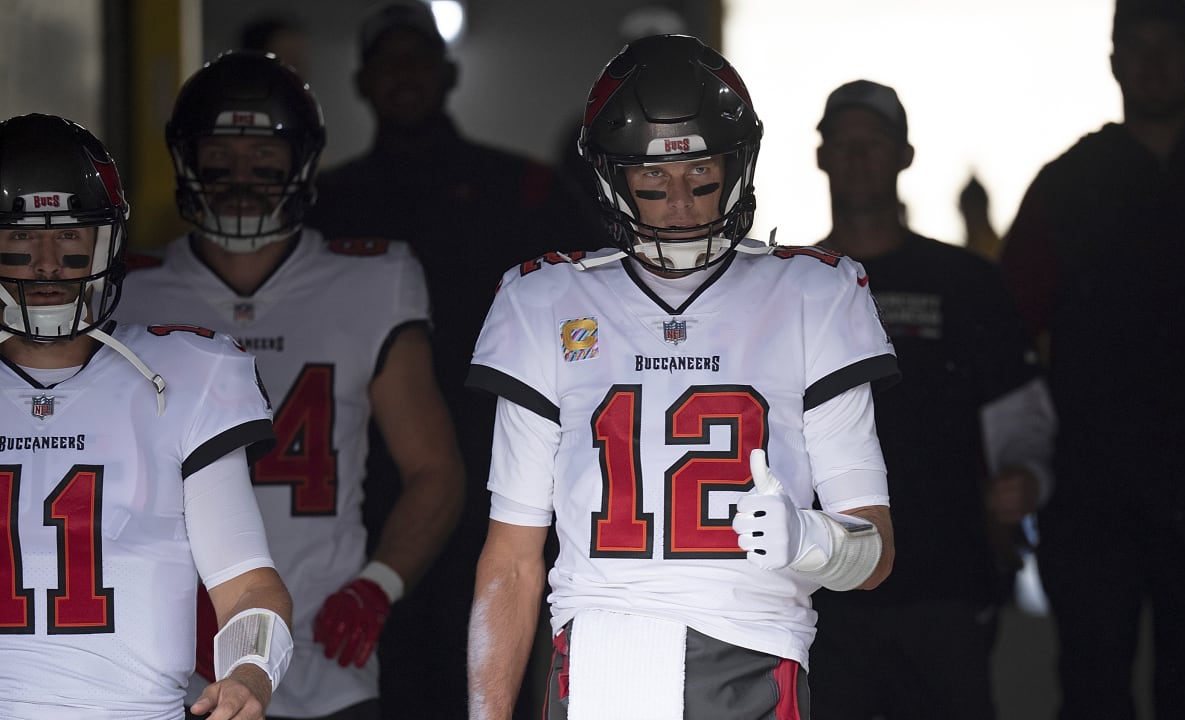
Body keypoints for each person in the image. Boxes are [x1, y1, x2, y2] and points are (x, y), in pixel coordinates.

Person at [465, 34, 900, 720]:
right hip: (597, 654)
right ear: (611, 179)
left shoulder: (816, 293)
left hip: (752, 654)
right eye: (651, 182)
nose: (680, 205)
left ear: (738, 164)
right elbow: (513, 559)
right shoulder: (543, 300)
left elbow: (875, 553)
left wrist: (808, 539)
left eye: (701, 178)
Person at [113, 52, 465, 719]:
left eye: (264, 154)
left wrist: (377, 586)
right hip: (170, 660)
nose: (243, 176)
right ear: (187, 157)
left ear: (301, 161)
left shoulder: (372, 281)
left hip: (325, 661)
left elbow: (436, 469)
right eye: (222, 153)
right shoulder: (131, 291)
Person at [305, 3, 604, 715]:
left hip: (503, 478)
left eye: (418, 59)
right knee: (377, 682)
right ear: (362, 82)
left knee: (485, 680)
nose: (404, 75)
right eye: (389, 62)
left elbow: (600, 314)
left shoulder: (522, 188)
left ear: (449, 74)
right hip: (366, 491)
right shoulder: (326, 203)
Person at [1000, 1, 1185, 717]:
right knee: (1093, 695)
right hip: (1092, 490)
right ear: (1114, 61)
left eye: (1168, 47)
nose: (1153, 63)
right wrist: (1019, 462)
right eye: (1138, 47)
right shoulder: (1068, 187)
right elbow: (1005, 341)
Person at [0, 113, 291, 719]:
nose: (49, 263)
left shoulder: (186, 373)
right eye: (22, 238)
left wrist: (248, 674)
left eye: (71, 235)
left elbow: (248, 586)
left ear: (108, 241)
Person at [806, 79, 1055, 720]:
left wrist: (1025, 475)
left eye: (875, 143)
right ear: (821, 155)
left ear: (904, 155)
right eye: (845, 143)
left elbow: (1019, 411)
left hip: (947, 586)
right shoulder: (791, 286)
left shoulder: (968, 283)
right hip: (822, 596)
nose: (860, 157)